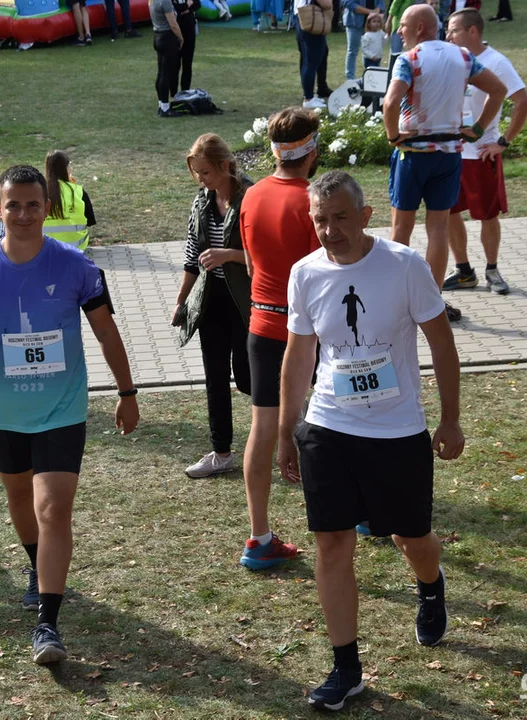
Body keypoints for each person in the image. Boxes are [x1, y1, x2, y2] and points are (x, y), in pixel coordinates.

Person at [0, 165, 140, 665]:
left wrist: (127, 390)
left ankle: (47, 623)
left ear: (47, 208)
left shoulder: (77, 267)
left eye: (33, 205)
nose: (23, 214)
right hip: (3, 412)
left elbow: (107, 333)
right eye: (13, 205)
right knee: (21, 502)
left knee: (52, 509)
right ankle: (36, 566)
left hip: (61, 410)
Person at [277, 171, 463, 711]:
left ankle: (430, 585)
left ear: (364, 214)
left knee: (412, 538)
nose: (329, 230)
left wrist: (449, 420)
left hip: (397, 430)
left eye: (339, 217)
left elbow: (442, 345)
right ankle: (346, 668)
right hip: (329, 425)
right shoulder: (304, 274)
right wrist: (291, 430)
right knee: (333, 544)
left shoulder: (404, 266)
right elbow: (298, 357)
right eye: (319, 220)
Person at [236, 106, 322, 571]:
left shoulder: (252, 196)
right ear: (310, 148)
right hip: (307, 332)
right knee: (338, 423)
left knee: (262, 429)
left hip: (262, 326)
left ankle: (258, 536)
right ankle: (360, 513)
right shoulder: (314, 200)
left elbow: (251, 265)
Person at [381, 3, 506, 322]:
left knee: (401, 228)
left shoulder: (409, 59)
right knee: (437, 229)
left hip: (413, 154)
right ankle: (433, 302)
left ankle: (396, 299)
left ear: (421, 28)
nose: (399, 30)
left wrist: (393, 136)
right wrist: (477, 129)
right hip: (450, 155)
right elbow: (499, 90)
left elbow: (391, 101)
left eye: (404, 25)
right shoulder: (463, 56)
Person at [173, 134, 253, 479]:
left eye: (205, 173)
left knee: (250, 377)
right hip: (211, 300)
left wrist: (229, 255)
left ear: (224, 165)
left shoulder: (252, 197)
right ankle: (221, 452)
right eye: (196, 174)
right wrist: (181, 300)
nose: (201, 180)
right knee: (215, 377)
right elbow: (194, 254)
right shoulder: (202, 201)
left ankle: (292, 417)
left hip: (248, 300)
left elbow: (267, 256)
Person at [443, 8, 527, 296]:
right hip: (451, 153)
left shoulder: (496, 62)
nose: (448, 35)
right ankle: (463, 271)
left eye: (454, 30)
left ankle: (492, 270)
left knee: (487, 215)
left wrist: (502, 142)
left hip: (481, 155)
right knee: (447, 212)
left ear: (473, 31)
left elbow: (523, 102)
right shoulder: (451, 60)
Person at [43, 150, 97, 252]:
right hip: (76, 247)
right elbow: (90, 221)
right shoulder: (78, 191)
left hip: (45, 248)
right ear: (66, 168)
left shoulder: (39, 192)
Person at [296, 0, 334, 109]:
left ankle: (309, 94)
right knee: (311, 62)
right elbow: (326, 4)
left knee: (307, 60)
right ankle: (308, 98)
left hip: (301, 18)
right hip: (312, 19)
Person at [151, 0, 185, 117]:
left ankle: (161, 104)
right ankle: (165, 108)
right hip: (167, 37)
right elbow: (173, 24)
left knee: (161, 72)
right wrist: (181, 37)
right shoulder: (165, 1)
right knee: (166, 73)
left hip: (158, 36)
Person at [344, 0, 385, 80]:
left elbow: (381, 3)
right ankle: (350, 79)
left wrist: (377, 10)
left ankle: (370, 77)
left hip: (373, 24)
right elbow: (348, 3)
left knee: (371, 51)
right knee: (352, 51)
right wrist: (370, 11)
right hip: (354, 22)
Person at [172, 0, 201, 98]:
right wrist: (187, 5)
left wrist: (186, 9)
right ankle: (174, 93)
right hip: (177, 31)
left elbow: (197, 4)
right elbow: (175, 8)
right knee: (175, 65)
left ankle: (185, 91)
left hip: (189, 28)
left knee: (187, 64)